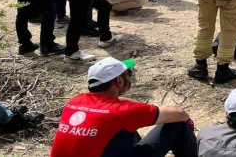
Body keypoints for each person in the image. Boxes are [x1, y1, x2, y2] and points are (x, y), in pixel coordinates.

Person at [50, 57, 197, 157]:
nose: (130, 77)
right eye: (129, 73)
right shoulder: (123, 111)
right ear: (119, 81)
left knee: (123, 131)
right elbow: (179, 112)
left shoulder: (74, 101)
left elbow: (114, 105)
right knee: (177, 125)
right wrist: (188, 121)